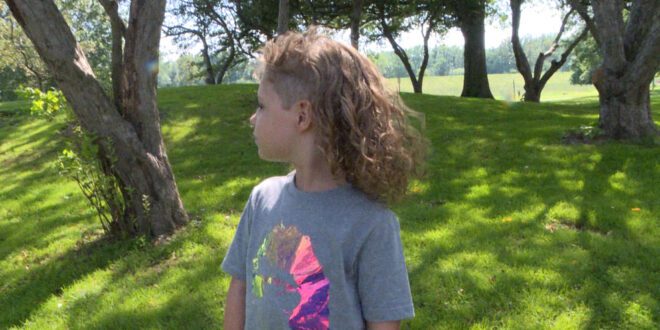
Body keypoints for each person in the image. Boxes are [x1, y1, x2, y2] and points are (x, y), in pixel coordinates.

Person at [222, 27, 426, 330]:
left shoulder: (371, 224)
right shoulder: (262, 200)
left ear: (302, 116)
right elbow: (240, 287)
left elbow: (383, 324)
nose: (253, 117)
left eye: (262, 105)